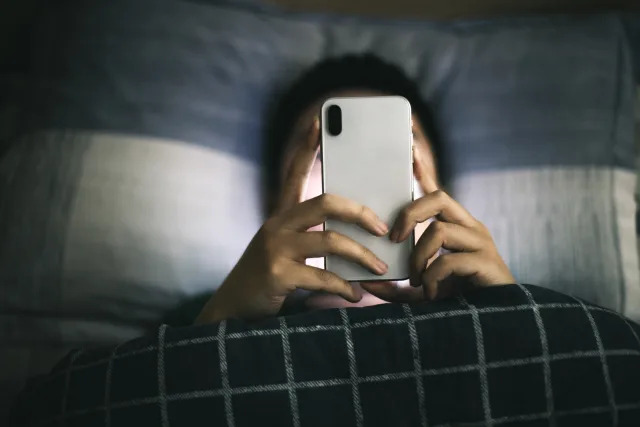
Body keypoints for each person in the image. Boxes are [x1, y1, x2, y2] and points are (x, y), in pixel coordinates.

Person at [196, 54, 515, 323]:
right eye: (325, 154)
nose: (360, 190)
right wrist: (225, 322)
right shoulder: (215, 311)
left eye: (395, 148)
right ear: (273, 198)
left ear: (441, 192)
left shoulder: (492, 305)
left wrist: (507, 314)